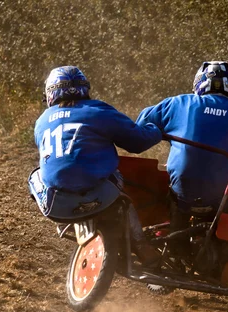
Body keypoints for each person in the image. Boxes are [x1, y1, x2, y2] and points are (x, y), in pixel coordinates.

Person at [135, 61, 228, 248]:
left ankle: (175, 236)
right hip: (221, 197)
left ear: (198, 84)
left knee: (173, 180)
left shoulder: (178, 103)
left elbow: (140, 126)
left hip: (182, 194)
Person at [28, 66, 162, 264]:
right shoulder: (99, 111)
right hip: (102, 197)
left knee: (35, 175)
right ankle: (141, 244)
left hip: (56, 205)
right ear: (84, 88)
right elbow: (138, 143)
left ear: (51, 92)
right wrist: (157, 128)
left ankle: (70, 224)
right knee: (118, 178)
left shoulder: (41, 122)